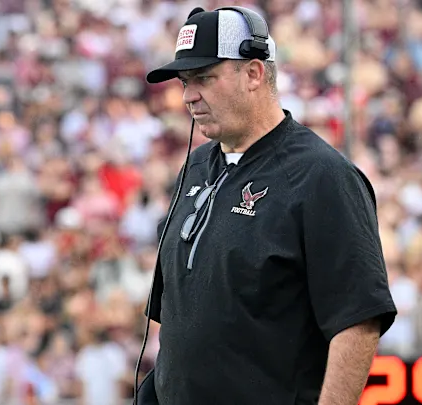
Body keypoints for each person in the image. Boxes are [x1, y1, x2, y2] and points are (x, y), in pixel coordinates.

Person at [138, 6, 397, 405]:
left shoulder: (321, 176)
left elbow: (358, 322)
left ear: (254, 74)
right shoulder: (195, 167)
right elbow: (182, 323)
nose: (188, 96)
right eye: (185, 82)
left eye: (204, 78)